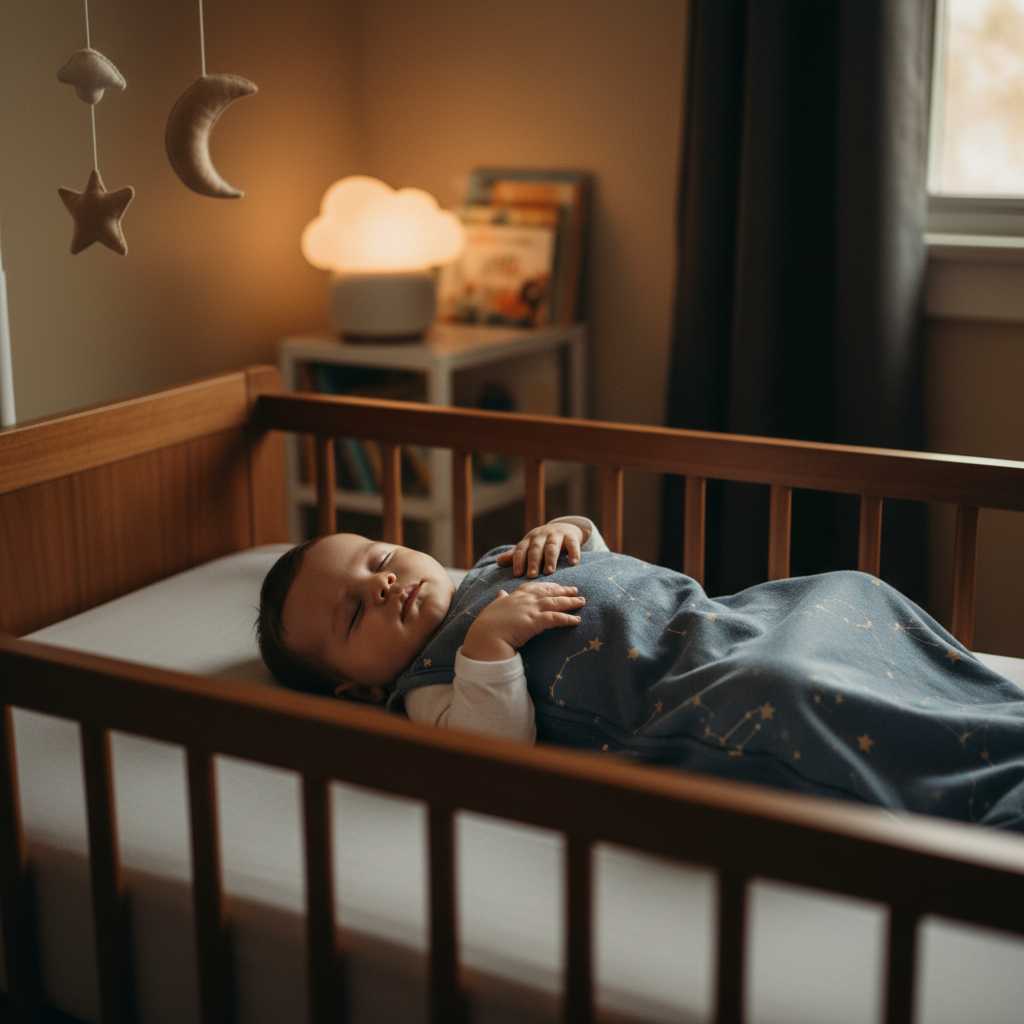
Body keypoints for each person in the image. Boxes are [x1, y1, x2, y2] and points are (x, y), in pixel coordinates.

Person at [257, 517, 1024, 831]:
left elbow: (592, 544)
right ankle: (984, 796)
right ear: (355, 689)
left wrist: (568, 527)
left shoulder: (495, 561)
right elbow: (495, 745)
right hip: (695, 688)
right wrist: (488, 646)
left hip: (730, 618)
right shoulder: (426, 689)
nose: (383, 585)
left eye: (381, 560)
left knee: (851, 593)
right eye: (354, 613)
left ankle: (996, 716)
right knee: (780, 692)